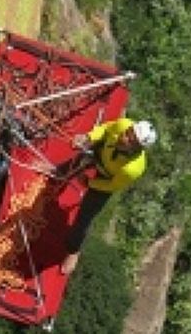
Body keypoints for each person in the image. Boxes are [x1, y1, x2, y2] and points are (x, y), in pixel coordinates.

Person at [61, 118, 156, 275]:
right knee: (75, 152)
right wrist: (89, 137)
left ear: (137, 148)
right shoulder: (123, 124)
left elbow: (113, 185)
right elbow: (105, 129)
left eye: (130, 140)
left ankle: (73, 250)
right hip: (101, 151)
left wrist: (90, 183)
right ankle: (59, 172)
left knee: (85, 216)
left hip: (106, 177)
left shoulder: (132, 169)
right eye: (128, 133)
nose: (124, 138)